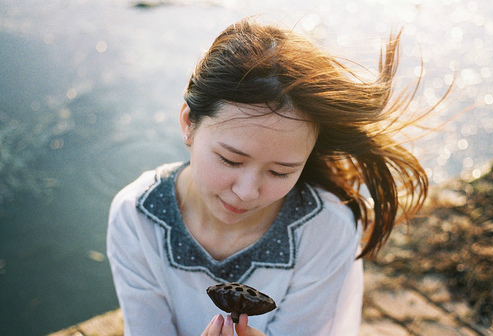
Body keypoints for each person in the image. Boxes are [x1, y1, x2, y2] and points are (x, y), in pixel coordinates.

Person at [107, 17, 439, 336]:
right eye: (230, 160)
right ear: (188, 123)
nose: (248, 191)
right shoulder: (136, 216)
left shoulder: (325, 229)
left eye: (281, 171)